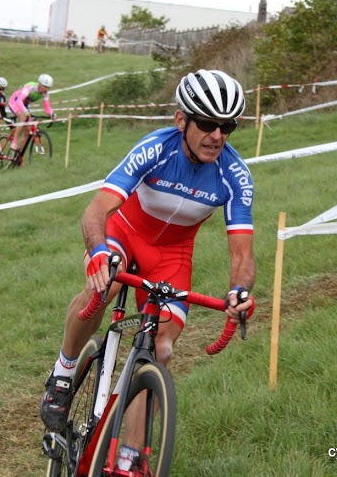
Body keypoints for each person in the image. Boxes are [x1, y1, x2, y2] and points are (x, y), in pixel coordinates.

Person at [39, 70, 256, 460]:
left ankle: (130, 456)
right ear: (181, 120)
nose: (217, 136)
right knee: (104, 285)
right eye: (207, 124)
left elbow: (242, 253)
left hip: (172, 255)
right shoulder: (156, 148)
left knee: (161, 349)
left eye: (227, 126)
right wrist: (98, 253)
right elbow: (97, 210)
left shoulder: (234, 174)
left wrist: (240, 291)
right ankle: (64, 371)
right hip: (125, 232)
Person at [7, 74, 55, 153]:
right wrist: (25, 111)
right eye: (45, 87)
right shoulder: (30, 88)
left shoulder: (45, 93)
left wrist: (51, 113)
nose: (47, 89)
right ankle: (14, 143)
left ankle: (19, 158)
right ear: (40, 84)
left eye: (48, 87)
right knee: (23, 118)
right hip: (15, 101)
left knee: (28, 131)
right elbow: (19, 100)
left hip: (24, 105)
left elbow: (47, 106)